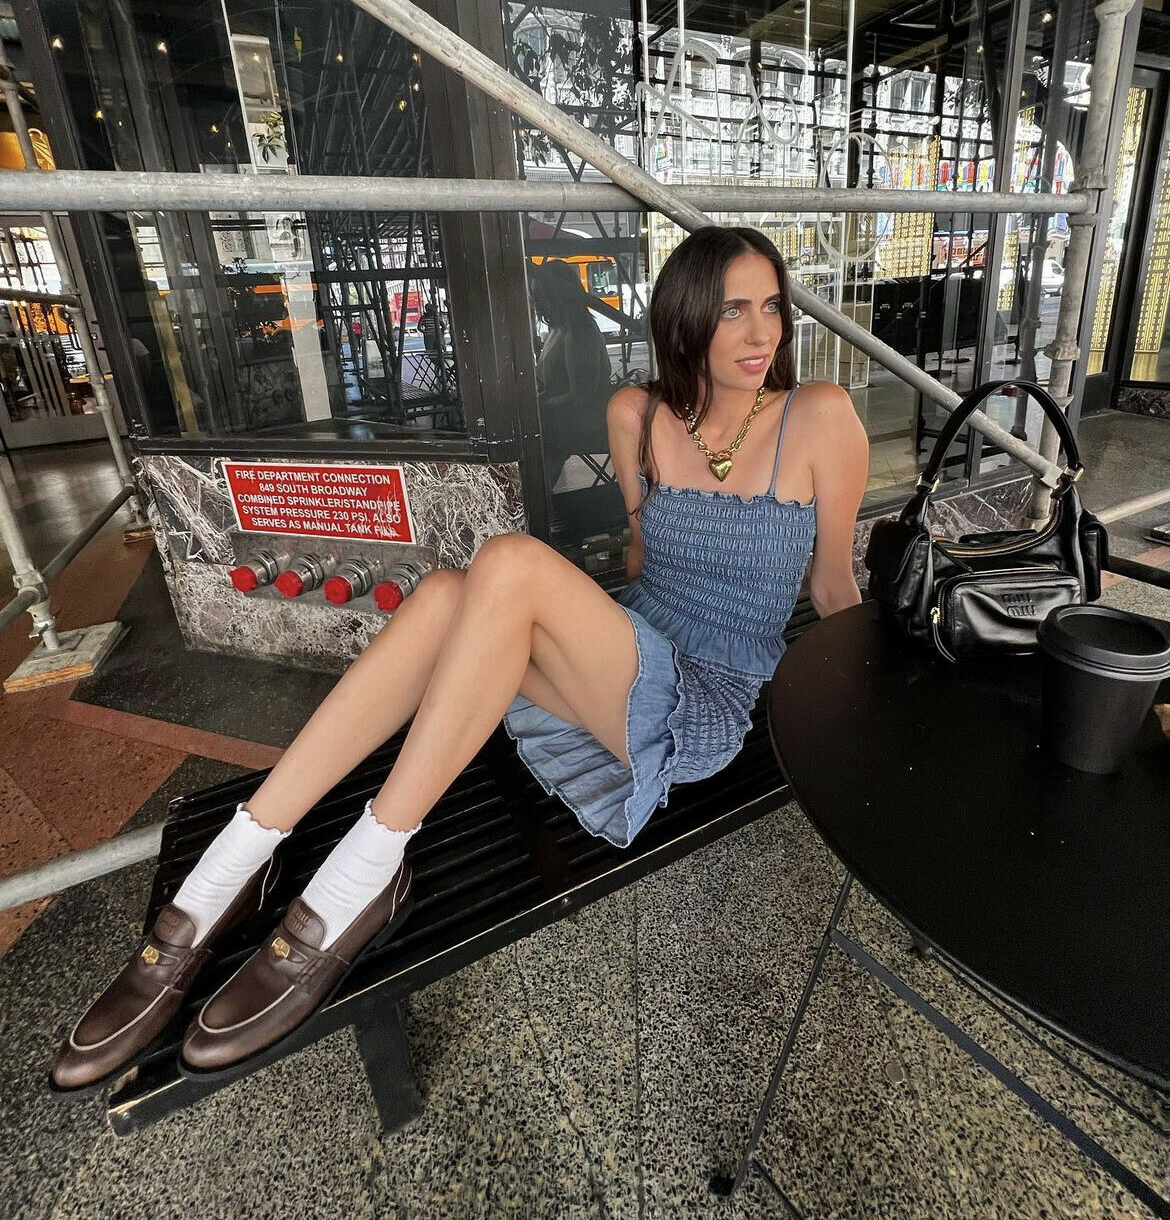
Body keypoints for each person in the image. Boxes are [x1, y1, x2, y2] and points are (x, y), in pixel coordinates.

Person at [50, 225, 869, 1090]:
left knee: (507, 564)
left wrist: (870, 717)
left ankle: (362, 876)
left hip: (702, 698)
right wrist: (559, 628)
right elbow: (640, 566)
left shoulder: (818, 416)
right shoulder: (637, 416)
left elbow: (832, 587)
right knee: (444, 593)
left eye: (772, 306)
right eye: (734, 310)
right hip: (625, 657)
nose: (761, 333)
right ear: (686, 316)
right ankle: (231, 868)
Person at [529, 259, 614, 483]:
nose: (535, 302)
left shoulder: (579, 331)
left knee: (532, 436)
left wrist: (538, 409)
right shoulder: (558, 329)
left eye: (538, 295)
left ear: (555, 295)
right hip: (560, 417)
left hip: (581, 422)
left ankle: (536, 491)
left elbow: (582, 397)